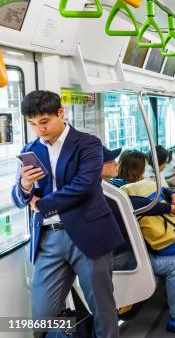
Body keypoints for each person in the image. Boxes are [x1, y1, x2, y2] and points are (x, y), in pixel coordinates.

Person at [11, 90, 123, 338]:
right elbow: (18, 198)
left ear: (60, 113)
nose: (39, 129)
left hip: (89, 235)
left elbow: (83, 186)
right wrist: (25, 186)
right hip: (48, 240)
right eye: (32, 124)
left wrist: (42, 204)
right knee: (41, 316)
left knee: (102, 310)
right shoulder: (29, 150)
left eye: (44, 121)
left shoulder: (88, 144)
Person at [108, 149, 175, 335]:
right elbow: (137, 203)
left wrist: (171, 195)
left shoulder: (127, 185)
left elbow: (158, 189)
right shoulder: (113, 191)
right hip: (129, 255)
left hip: (144, 246)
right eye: (111, 162)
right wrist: (169, 206)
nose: (116, 165)